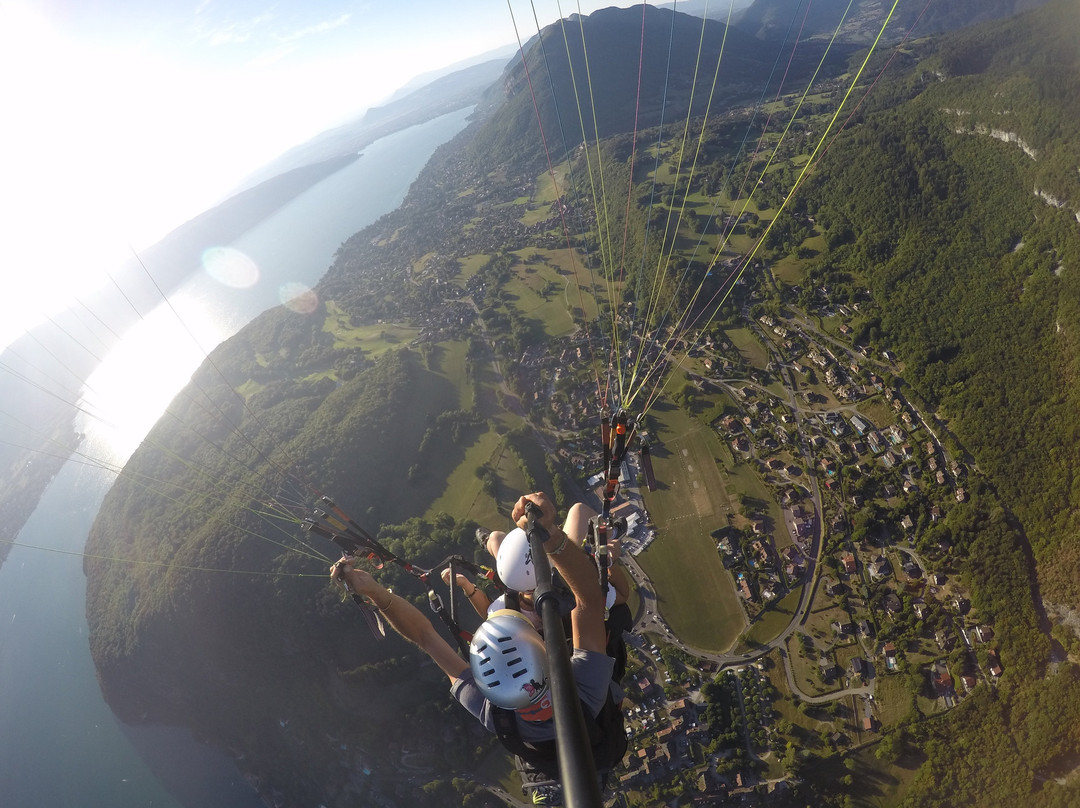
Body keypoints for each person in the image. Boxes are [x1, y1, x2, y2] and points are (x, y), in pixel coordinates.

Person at [331, 492, 626, 799]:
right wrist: (550, 534)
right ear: (545, 649)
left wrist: (376, 594)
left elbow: (425, 637)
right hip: (591, 729)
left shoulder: (497, 712)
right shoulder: (584, 686)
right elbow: (589, 597)